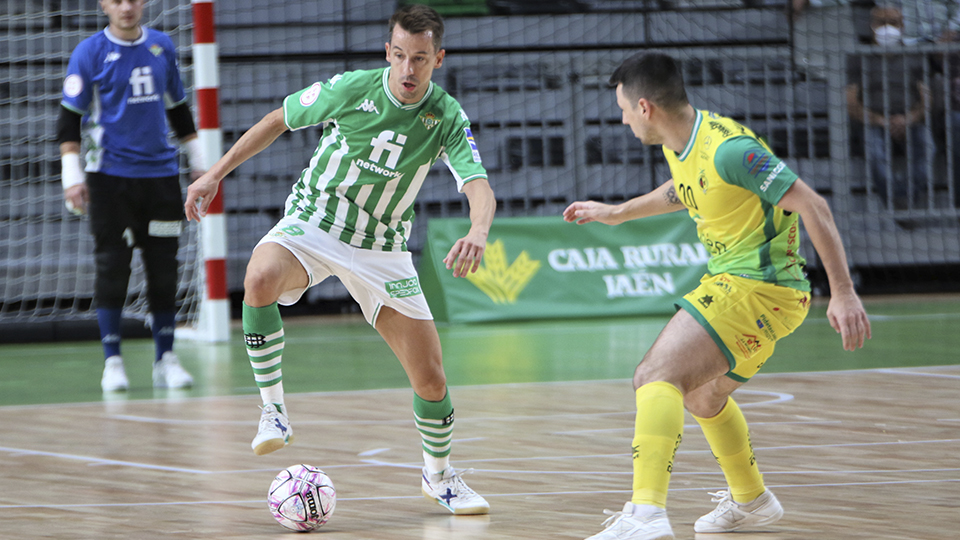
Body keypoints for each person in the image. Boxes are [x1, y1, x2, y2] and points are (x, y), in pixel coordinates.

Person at [184, 4, 495, 515]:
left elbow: (479, 185)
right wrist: (215, 173)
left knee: (432, 378)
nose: (408, 70)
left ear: (438, 58)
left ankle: (439, 478)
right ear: (387, 53)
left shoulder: (446, 116)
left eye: (420, 59)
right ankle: (273, 411)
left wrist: (478, 230)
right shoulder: (353, 88)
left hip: (382, 249)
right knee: (259, 276)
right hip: (315, 224)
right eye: (399, 56)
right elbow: (276, 120)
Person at [563, 52, 871, 540]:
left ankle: (645, 514)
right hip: (750, 288)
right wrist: (618, 213)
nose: (621, 118)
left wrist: (844, 292)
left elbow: (812, 204)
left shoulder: (730, 149)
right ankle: (752, 501)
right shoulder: (680, 142)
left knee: (654, 375)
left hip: (758, 287)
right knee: (704, 397)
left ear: (645, 107)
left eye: (623, 108)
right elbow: (684, 189)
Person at [58, 0, 201, 392]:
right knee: (112, 266)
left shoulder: (161, 47)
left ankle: (166, 358)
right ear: (104, 5)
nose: (126, 7)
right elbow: (68, 122)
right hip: (108, 180)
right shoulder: (89, 53)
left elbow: (179, 110)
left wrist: (200, 163)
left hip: (160, 179)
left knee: (164, 268)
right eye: (117, 0)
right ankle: (113, 362)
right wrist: (72, 178)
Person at [845, 5, 932, 209]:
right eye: (881, 23)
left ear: (902, 26)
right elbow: (850, 102)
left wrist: (907, 119)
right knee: (874, 151)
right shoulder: (858, 57)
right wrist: (881, 121)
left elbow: (926, 99)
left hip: (910, 120)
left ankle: (906, 197)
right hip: (873, 121)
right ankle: (895, 200)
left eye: (893, 23)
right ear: (871, 26)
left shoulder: (915, 55)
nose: (887, 28)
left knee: (928, 147)